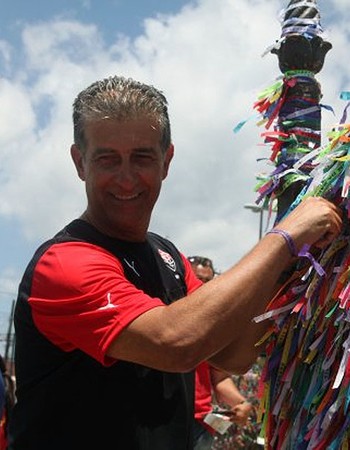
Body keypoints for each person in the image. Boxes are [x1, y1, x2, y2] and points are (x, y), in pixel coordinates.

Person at [8, 75, 342, 450]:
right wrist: (284, 238)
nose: (126, 177)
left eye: (142, 157)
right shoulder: (63, 263)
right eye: (107, 158)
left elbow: (233, 353)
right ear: (79, 162)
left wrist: (293, 267)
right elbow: (176, 343)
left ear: (166, 161)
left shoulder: (167, 257)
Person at [188, 256, 253, 450]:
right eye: (196, 278)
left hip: (201, 424)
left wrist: (241, 403)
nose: (201, 285)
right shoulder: (163, 314)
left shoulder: (213, 327)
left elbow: (219, 378)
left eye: (207, 280)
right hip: (164, 420)